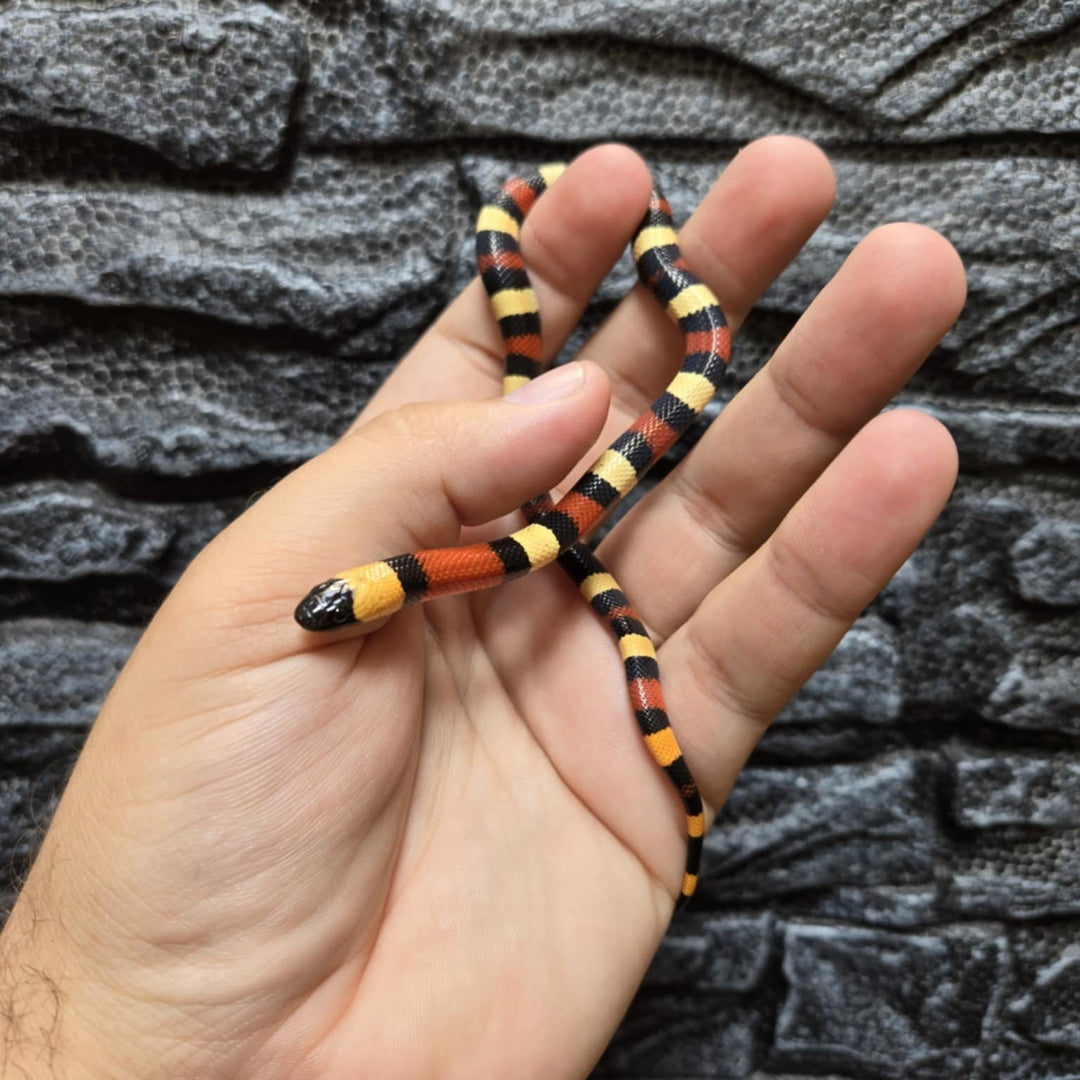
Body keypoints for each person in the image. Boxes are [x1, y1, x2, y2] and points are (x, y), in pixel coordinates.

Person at [0, 138, 965, 1078]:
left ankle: (626, 218)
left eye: (342, 606)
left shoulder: (478, 557)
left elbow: (546, 523)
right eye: (343, 609)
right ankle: (597, 216)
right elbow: (539, 540)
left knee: (657, 385)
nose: (328, 614)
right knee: (576, 523)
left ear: (393, 577)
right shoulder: (482, 559)